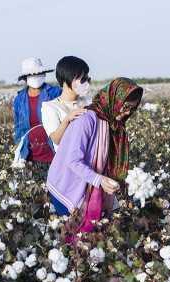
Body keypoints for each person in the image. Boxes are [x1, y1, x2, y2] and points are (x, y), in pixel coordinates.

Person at [46, 77, 143, 237]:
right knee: (74, 237)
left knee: (91, 236)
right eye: (125, 107)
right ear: (114, 99)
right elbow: (73, 160)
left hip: (89, 183)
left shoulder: (114, 125)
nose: (127, 113)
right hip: (67, 186)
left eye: (132, 109)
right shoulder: (86, 119)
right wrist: (100, 180)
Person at [13, 57, 61, 164]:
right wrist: (19, 149)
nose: (36, 77)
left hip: (53, 153)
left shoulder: (55, 93)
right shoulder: (19, 100)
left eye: (39, 73)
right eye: (32, 75)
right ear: (25, 78)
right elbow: (18, 128)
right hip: (29, 155)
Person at [42, 56, 92, 150]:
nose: (87, 83)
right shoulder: (51, 107)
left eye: (88, 79)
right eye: (83, 79)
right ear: (67, 80)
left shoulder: (89, 102)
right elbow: (56, 140)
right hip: (66, 163)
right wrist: (67, 119)